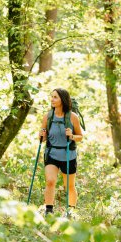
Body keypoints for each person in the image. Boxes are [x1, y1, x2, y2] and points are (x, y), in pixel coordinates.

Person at [39, 88, 83, 216]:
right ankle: (49, 211)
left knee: (68, 185)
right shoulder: (48, 116)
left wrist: (72, 136)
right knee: (50, 181)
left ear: (62, 100)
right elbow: (43, 139)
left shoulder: (73, 117)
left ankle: (71, 211)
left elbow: (80, 136)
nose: (52, 99)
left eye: (55, 97)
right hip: (52, 153)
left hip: (68, 154)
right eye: (51, 97)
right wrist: (41, 135)